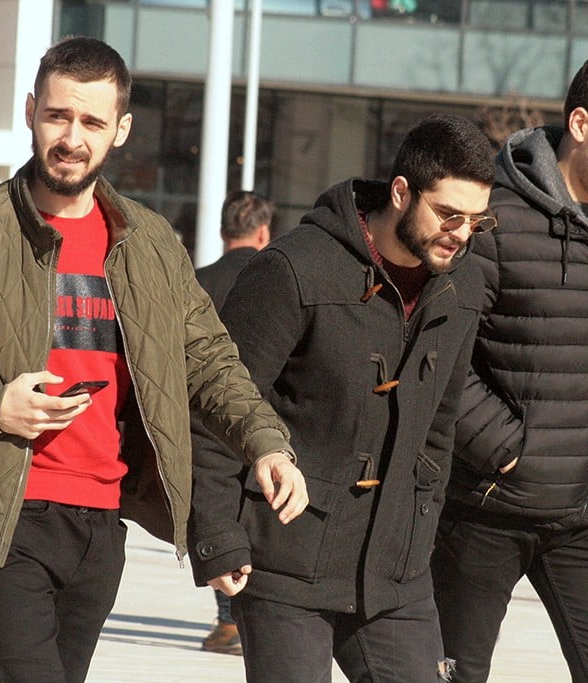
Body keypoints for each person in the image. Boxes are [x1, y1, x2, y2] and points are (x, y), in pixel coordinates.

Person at [0, 37, 307, 683]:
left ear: (121, 129)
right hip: (7, 515)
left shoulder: (150, 242)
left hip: (103, 522)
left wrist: (266, 444)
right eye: (58, 116)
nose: (71, 138)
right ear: (31, 111)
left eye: (92, 121)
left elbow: (208, 359)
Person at [188, 113, 497, 682]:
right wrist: (216, 534)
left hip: (396, 574)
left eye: (477, 221)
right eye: (449, 214)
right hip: (286, 561)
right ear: (401, 192)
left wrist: (420, 525)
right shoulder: (295, 268)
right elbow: (215, 405)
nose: (461, 233)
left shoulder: (464, 285)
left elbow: (439, 426)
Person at [431, 47, 588, 682]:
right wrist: (509, 449)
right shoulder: (493, 217)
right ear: (581, 123)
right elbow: (442, 355)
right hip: (486, 509)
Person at [192, 189, 274, 655]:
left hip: (207, 422)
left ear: (224, 232)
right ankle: (245, 620)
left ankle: (227, 621)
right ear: (263, 232)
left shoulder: (198, 281)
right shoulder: (276, 278)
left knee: (219, 517)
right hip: (263, 422)